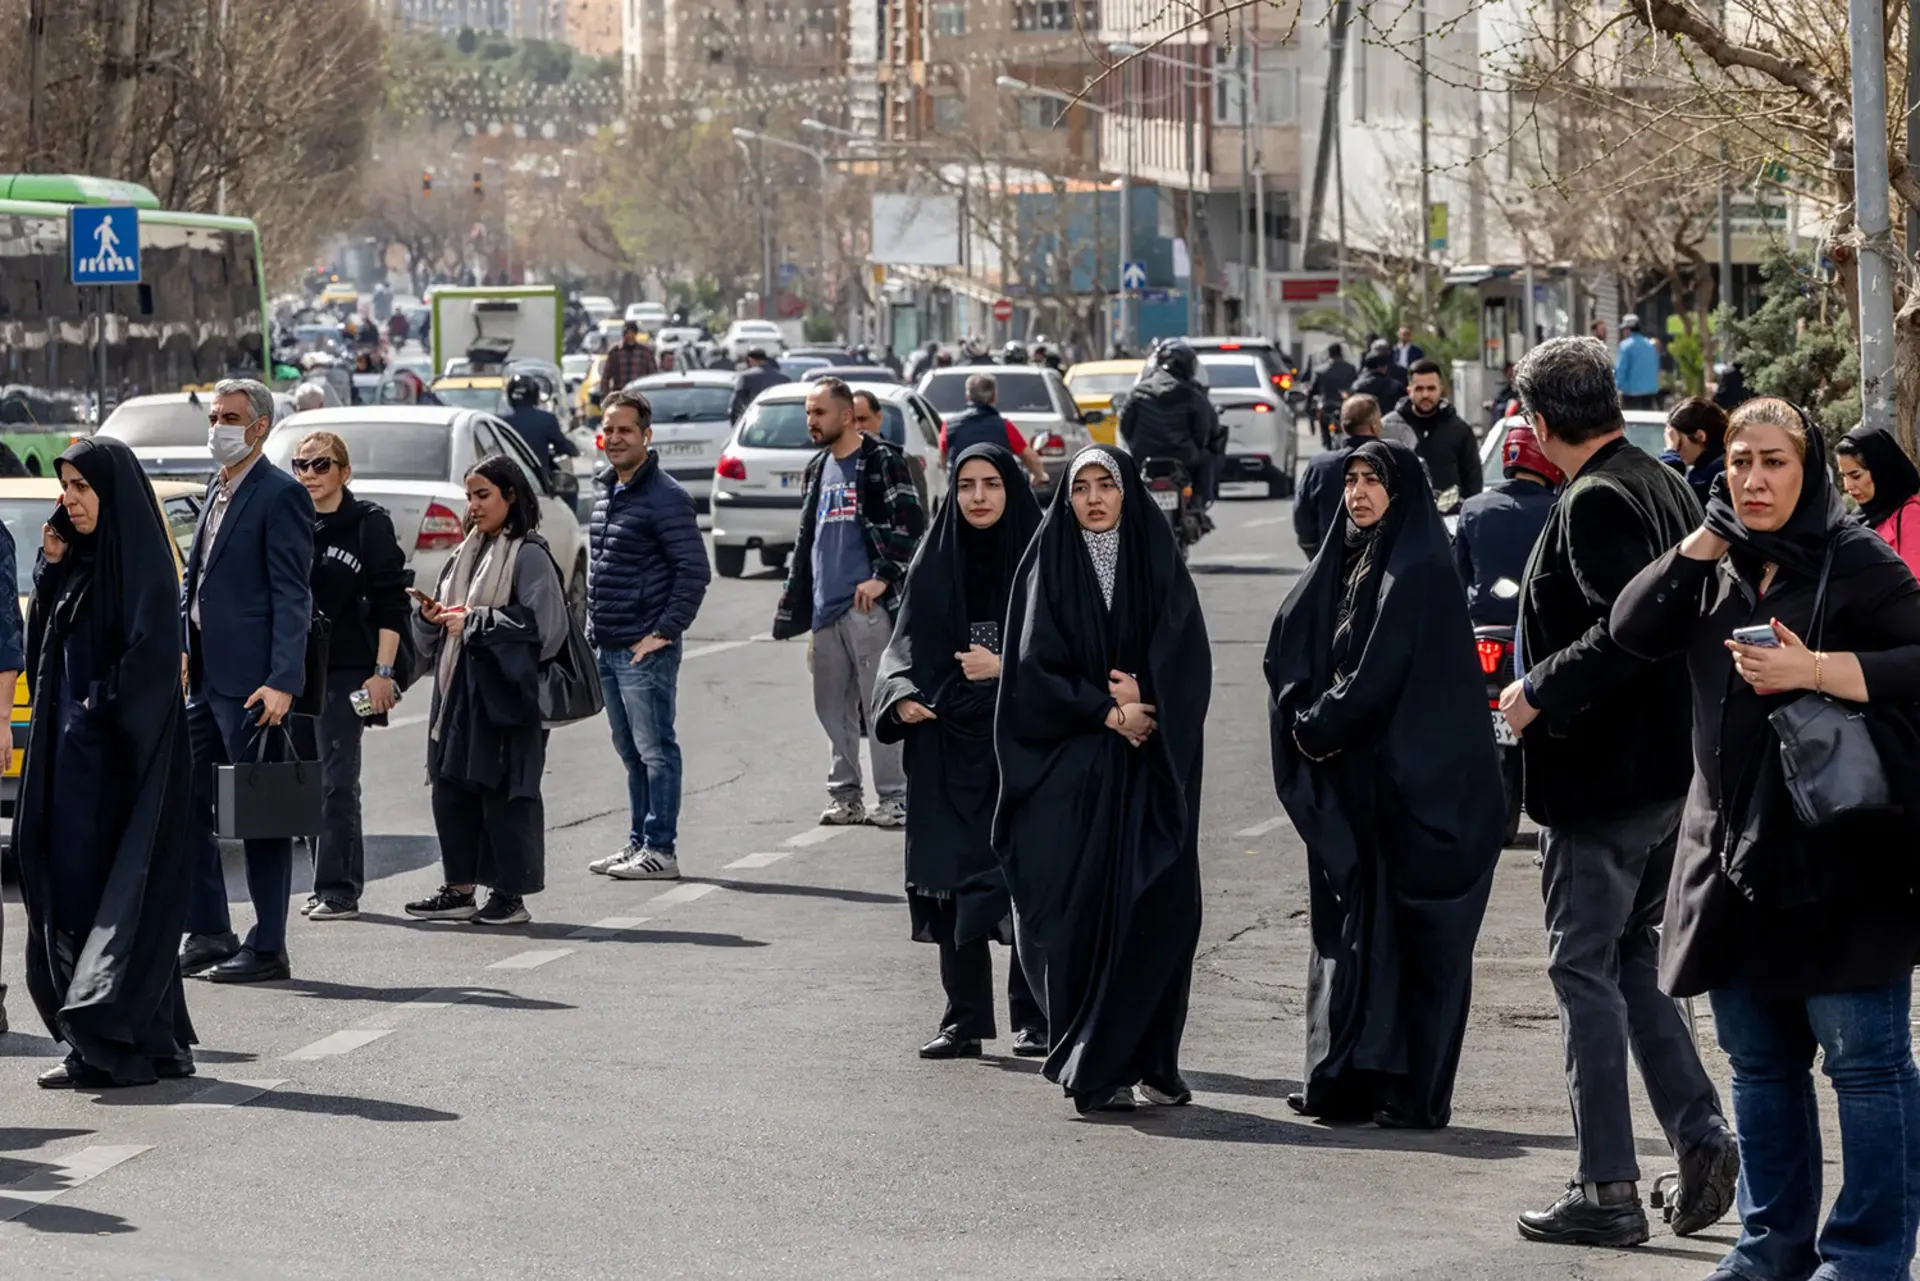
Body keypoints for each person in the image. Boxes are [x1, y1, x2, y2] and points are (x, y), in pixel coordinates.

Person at [1610, 399, 1920, 1281]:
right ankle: (1770, 1248)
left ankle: (1865, 1259)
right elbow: (1632, 631)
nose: (1754, 477)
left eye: (1775, 461)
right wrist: (1703, 541)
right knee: (1760, 1065)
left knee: (1866, 1068)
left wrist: (1815, 670)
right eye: (1740, 460)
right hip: (1730, 862)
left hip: (1842, 859)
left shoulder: (1856, 559)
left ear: (1809, 468)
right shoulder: (1713, 565)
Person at [1497, 338, 1736, 1246]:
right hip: (1664, 773)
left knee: (1581, 969)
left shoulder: (1600, 496)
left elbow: (1630, 631)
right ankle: (1702, 1134)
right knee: (1631, 959)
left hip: (1608, 782)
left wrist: (1536, 691)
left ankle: (1606, 1190)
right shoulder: (1654, 476)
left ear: (1540, 421)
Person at [1266, 439, 1504, 1128]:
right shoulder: (1353, 560)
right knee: (1367, 940)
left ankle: (1416, 1094)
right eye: (1353, 480)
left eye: (1375, 481)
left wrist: (1313, 726)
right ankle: (1354, 1078)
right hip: (1377, 789)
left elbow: (1379, 672)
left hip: (1431, 799)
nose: (1360, 493)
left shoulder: (1419, 568)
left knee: (1425, 951)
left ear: (1403, 494)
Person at [994, 447, 1211, 1114]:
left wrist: (1147, 697)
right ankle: (1096, 1065)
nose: (1092, 499)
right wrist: (1106, 711)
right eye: (1081, 486)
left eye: (1105, 486)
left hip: (1151, 768)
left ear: (1125, 494)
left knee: (1163, 910)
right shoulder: (1049, 559)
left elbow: (1189, 653)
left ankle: (1156, 1061)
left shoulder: (1154, 555)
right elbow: (1031, 666)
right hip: (1077, 771)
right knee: (1085, 919)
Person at [14, 438, 197, 1086]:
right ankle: (149, 1038)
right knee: (72, 898)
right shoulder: (81, 564)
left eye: (82, 488)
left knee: (114, 899)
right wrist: (51, 568)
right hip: (70, 768)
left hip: (119, 770)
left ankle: (107, 1043)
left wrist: (99, 704)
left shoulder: (142, 567)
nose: (69, 499)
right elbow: (44, 656)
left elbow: (149, 663)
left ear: (111, 493)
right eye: (65, 486)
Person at [874, 444, 1047, 1060]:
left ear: (1012, 490)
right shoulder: (936, 556)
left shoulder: (1043, 559)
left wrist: (1007, 670)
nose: (978, 497)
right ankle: (964, 1018)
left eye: (992, 485)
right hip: (946, 747)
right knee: (950, 883)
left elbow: (1068, 651)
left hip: (1022, 745)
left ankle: (1038, 1017)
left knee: (1027, 881)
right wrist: (901, 698)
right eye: (968, 484)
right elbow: (904, 646)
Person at [180, 379, 316, 985]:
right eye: (213, 415)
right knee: (183, 801)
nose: (218, 426)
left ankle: (268, 946)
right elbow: (198, 578)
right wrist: (187, 645)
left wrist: (283, 678)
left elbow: (293, 592)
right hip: (205, 676)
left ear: (259, 426)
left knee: (259, 815)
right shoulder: (217, 487)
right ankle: (210, 929)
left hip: (253, 683)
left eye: (230, 416)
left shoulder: (279, 495)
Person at [404, 455, 568, 926]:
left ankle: (509, 896)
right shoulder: (466, 553)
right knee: (452, 787)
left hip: (507, 698)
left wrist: (472, 622)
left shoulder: (528, 553)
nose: (474, 507)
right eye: (470, 496)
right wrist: (432, 618)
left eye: (484, 496)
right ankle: (459, 889)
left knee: (506, 793)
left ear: (510, 496)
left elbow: (548, 631)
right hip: (459, 692)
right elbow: (435, 639)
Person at [772, 379, 926, 827]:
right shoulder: (817, 468)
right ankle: (846, 796)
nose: (811, 422)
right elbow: (810, 541)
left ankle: (895, 796)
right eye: (808, 413)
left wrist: (882, 578)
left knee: (877, 704)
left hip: (868, 611)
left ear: (844, 415)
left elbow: (911, 525)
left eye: (818, 413)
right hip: (826, 609)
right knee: (831, 707)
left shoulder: (882, 462)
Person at [583, 391, 711, 883]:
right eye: (608, 430)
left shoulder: (666, 496)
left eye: (625, 430)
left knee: (656, 749)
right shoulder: (607, 491)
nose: (615, 439)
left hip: (643, 650)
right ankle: (638, 841)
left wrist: (663, 632)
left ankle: (662, 849)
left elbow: (693, 572)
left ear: (646, 436)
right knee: (631, 751)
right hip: (609, 645)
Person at [292, 431, 410, 922]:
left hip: (347, 671)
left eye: (322, 465)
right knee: (303, 779)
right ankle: (323, 881)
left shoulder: (367, 524)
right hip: (293, 671)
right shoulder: (291, 522)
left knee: (338, 780)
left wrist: (382, 674)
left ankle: (341, 889)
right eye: (302, 465)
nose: (311, 475)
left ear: (344, 471)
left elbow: (391, 604)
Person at [1453, 426, 1563, 626]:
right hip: (1541, 625)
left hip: (1483, 623)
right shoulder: (1560, 509)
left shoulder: (1473, 507)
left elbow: (1459, 574)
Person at [1119, 340, 1220, 506]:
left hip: (1143, 456)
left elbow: (1125, 426)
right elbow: (1204, 432)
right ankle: (1199, 502)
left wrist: (1137, 446)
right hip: (1183, 457)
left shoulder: (1138, 392)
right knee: (1207, 457)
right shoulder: (1194, 394)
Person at [1382, 360, 1481, 514]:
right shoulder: (1389, 428)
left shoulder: (1460, 430)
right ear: (1409, 390)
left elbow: (1473, 480)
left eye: (1431, 388)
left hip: (1449, 521)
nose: (1426, 394)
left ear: (1440, 389)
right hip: (1402, 521)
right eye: (1419, 389)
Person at [1294, 394, 1382, 557]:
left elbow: (1303, 515)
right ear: (1375, 425)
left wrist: (1316, 553)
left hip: (1333, 560)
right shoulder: (1396, 461)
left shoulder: (1321, 466)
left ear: (1342, 425)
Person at [1835, 423, 1920, 576]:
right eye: (1843, 476)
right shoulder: (1856, 520)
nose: (1848, 486)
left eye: (1856, 476)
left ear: (1880, 471)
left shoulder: (1911, 515)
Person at [939, 373, 1047, 485]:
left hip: (961, 488)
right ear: (995, 397)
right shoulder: (1005, 426)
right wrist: (1039, 475)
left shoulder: (948, 425)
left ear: (968, 396)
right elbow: (1029, 456)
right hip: (996, 488)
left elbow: (942, 460)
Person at [504, 373, 578, 483]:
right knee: (569, 490)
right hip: (539, 480)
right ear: (535, 395)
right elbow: (562, 445)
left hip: (509, 478)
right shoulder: (547, 419)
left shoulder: (502, 422)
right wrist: (572, 449)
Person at [1660, 396, 1729, 509]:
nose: (1677, 449)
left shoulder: (1710, 477)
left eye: (1678, 442)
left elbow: (1661, 494)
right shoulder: (1713, 466)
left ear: (1699, 436)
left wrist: (1671, 452)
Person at [1306, 342, 1358, 449]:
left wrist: (1309, 409)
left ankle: (1327, 444)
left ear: (1329, 354)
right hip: (1346, 407)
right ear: (1341, 353)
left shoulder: (1320, 370)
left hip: (1326, 407)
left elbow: (1312, 391)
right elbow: (1355, 388)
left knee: (1325, 429)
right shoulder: (1350, 369)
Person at [1351, 344, 1409, 433]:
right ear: (1384, 367)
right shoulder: (1396, 386)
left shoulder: (1357, 386)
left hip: (1364, 430)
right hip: (1391, 429)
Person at [1613, 313, 1661, 410]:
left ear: (1628, 329)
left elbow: (1621, 370)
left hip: (1631, 395)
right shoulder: (1650, 345)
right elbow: (1656, 367)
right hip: (1650, 395)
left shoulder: (1625, 346)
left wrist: (1617, 388)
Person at [729, 347, 789, 423]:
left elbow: (737, 404)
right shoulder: (784, 379)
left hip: (753, 422)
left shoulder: (745, 377)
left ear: (750, 360)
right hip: (778, 423)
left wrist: (735, 424)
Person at [599, 322, 656, 400]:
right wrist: (607, 396)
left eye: (632, 332)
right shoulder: (615, 351)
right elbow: (606, 376)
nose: (629, 335)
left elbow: (653, 375)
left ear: (635, 334)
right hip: (620, 396)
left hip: (639, 395)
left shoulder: (645, 351)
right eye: (626, 332)